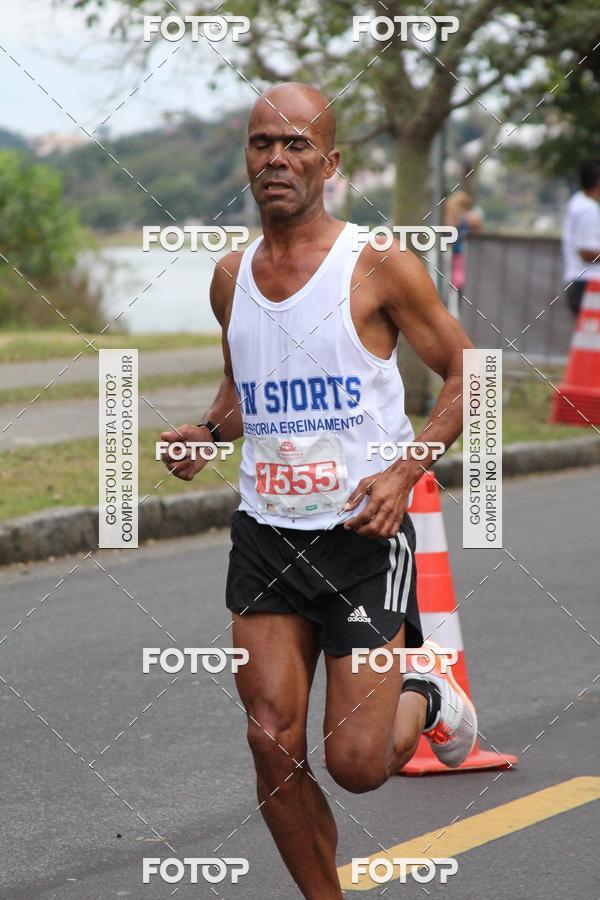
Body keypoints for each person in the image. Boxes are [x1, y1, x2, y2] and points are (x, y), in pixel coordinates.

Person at [160, 82, 478, 900]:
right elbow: (242, 396)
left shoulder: (377, 267)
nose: (277, 158)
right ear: (248, 159)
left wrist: (407, 468)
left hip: (364, 539)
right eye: (263, 143)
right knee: (270, 740)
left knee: (359, 765)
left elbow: (466, 372)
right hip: (267, 534)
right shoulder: (230, 278)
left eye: (297, 144)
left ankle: (426, 691)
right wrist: (207, 433)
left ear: (330, 163)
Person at [562, 160, 600, 315]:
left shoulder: (577, 202)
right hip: (588, 284)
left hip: (581, 283)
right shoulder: (587, 209)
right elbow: (586, 253)